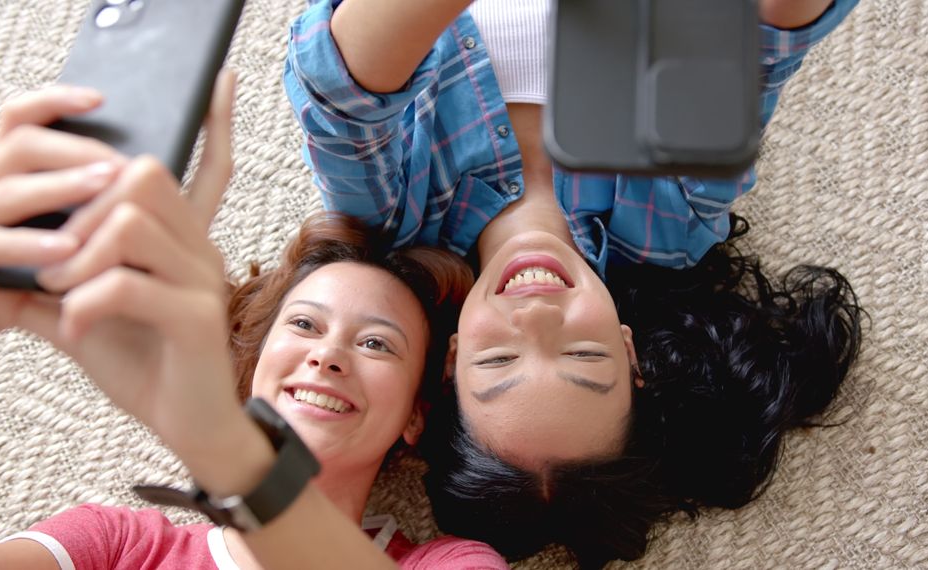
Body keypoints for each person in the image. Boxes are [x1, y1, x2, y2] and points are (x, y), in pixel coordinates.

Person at [284, 0, 865, 565]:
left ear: (451, 361)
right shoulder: (671, 220)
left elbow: (337, 85)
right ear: (630, 350)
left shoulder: (395, 223)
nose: (537, 314)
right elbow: (759, 42)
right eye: (583, 354)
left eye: (498, 360)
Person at [0, 72, 508, 569]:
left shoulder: (449, 562)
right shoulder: (116, 546)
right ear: (255, 366)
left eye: (376, 342)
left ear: (413, 416)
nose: (327, 356)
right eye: (302, 326)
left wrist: (216, 442)